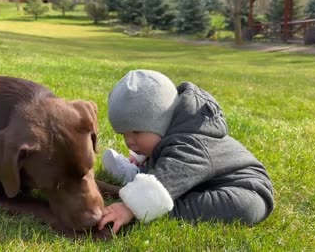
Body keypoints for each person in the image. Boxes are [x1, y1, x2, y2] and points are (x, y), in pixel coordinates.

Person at [98, 70, 274, 234]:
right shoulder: (173, 129)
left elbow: (173, 172)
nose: (129, 141)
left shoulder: (191, 143)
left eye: (136, 132)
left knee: (245, 207)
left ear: (161, 122)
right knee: (167, 177)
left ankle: (147, 197)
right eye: (124, 134)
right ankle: (140, 176)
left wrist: (130, 208)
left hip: (244, 189)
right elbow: (166, 153)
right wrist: (143, 156)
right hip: (197, 181)